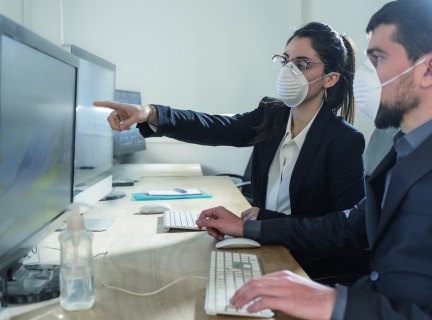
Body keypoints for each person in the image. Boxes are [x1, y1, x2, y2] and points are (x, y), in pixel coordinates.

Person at [195, 0, 432, 318]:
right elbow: (346, 226)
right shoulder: (406, 148)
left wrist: (334, 303)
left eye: (378, 58)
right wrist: (250, 228)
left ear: (429, 70)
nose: (365, 75)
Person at [94, 22, 369, 280]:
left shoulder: (344, 140)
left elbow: (342, 230)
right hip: (268, 247)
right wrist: (150, 113)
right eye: (286, 61)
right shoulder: (272, 116)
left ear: (330, 78)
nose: (290, 72)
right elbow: (215, 126)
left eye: (302, 64)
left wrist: (257, 225)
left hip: (310, 267)